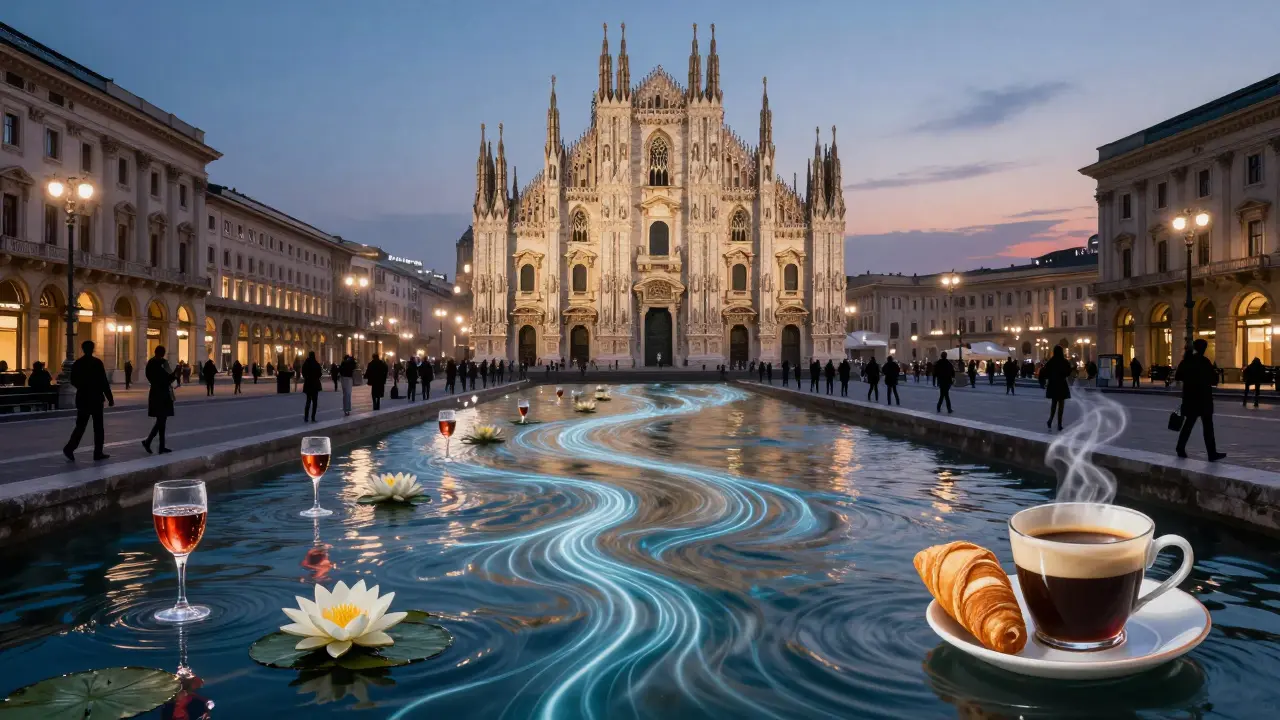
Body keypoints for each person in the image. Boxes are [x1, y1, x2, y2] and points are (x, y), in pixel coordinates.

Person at [63, 340, 114, 461]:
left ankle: (70, 448)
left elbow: (73, 380)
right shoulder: (97, 363)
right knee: (98, 427)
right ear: (93, 349)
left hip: (83, 398)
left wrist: (82, 387)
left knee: (80, 426)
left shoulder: (78, 363)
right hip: (96, 398)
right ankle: (98, 452)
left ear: (82, 349)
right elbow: (103, 382)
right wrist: (110, 398)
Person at [1175, 339, 1225, 461]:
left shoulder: (1187, 361)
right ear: (1203, 348)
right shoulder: (1205, 362)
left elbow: (1178, 376)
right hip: (1204, 399)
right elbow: (1214, 381)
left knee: (1188, 425)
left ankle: (1180, 448)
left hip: (1190, 398)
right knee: (1208, 428)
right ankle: (1211, 453)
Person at [142, 346, 178, 454]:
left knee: (161, 420)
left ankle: (159, 446)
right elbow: (170, 378)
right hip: (163, 393)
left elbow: (149, 376)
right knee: (162, 420)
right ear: (163, 353)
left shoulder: (150, 363)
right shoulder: (164, 363)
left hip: (155, 392)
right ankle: (150, 442)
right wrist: (176, 371)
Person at [1039, 345, 1072, 431]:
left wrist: (1043, 381)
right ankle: (1059, 424)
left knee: (1054, 404)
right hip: (1061, 384)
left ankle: (1050, 420)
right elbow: (1068, 372)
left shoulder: (1051, 361)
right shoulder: (1064, 361)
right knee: (1061, 405)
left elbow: (1044, 371)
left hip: (1053, 384)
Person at [301, 351, 323, 422]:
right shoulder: (316, 364)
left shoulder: (305, 363)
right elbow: (320, 374)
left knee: (308, 401)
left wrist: (307, 377)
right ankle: (313, 417)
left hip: (308, 384)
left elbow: (303, 373)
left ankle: (306, 417)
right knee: (315, 402)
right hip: (315, 384)